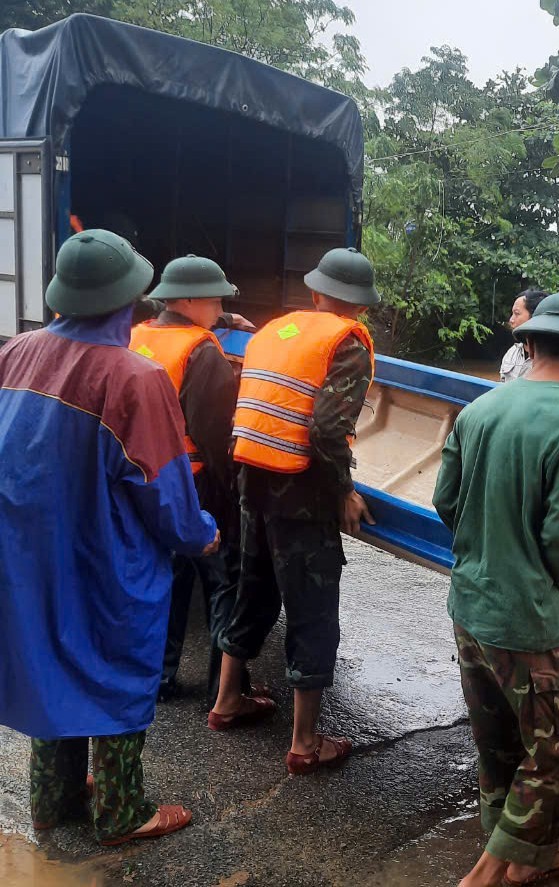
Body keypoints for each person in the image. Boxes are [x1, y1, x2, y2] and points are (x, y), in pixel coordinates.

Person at [0, 230, 219, 845]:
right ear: (130, 299)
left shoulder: (15, 352)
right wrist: (201, 535)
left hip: (27, 558)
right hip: (103, 559)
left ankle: (52, 799)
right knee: (118, 668)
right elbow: (166, 493)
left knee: (51, 661)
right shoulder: (134, 378)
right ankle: (122, 811)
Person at [434, 292, 559, 887]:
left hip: (470, 606)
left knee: (499, 745)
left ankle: (527, 857)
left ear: (528, 345)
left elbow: (444, 501)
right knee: (556, 754)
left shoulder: (479, 408)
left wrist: (488, 546)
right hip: (527, 621)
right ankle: (490, 875)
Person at [210, 247, 378, 776]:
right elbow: (327, 429)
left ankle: (226, 702)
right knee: (311, 605)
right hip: (298, 488)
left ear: (315, 294)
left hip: (250, 477)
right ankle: (305, 743)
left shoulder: (274, 331)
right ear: (362, 307)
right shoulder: (347, 344)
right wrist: (345, 490)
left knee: (253, 586)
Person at [129, 256, 261, 707]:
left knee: (168, 577)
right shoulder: (202, 352)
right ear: (187, 300)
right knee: (223, 578)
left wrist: (222, 318)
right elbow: (216, 433)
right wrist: (232, 491)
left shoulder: (139, 335)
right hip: (196, 481)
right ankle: (221, 693)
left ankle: (160, 679)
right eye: (215, 298)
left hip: (147, 477)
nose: (221, 304)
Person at [499, 288, 548, 382]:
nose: (511, 320)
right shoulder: (512, 353)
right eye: (512, 313)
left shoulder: (554, 358)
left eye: (517, 314)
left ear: (535, 317)